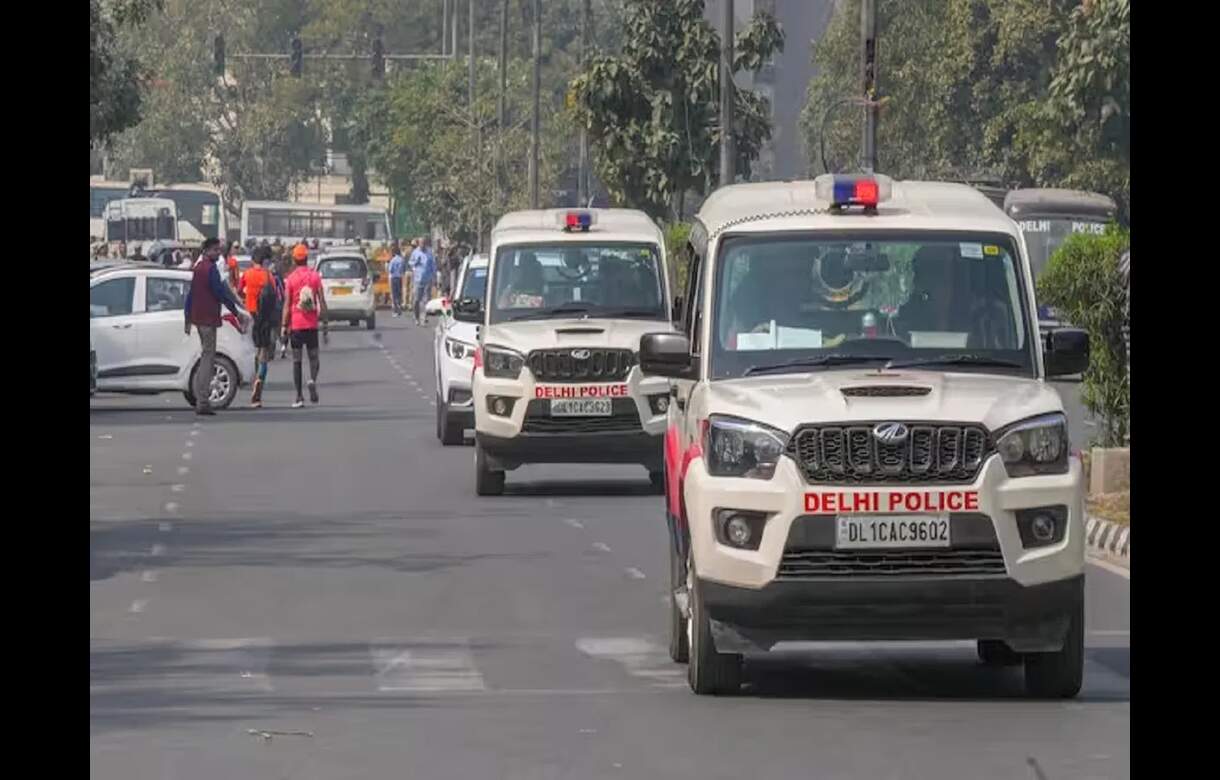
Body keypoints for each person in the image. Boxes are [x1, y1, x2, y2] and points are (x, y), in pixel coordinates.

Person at [184, 237, 247, 415]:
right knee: (208, 358)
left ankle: (202, 399)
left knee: (206, 355)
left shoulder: (198, 268)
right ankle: (203, 400)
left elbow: (191, 295)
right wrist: (236, 312)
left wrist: (187, 318)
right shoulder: (210, 269)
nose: (218, 254)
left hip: (199, 318)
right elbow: (220, 292)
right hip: (207, 319)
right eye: (216, 250)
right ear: (208, 251)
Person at [282, 242, 328, 408]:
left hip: (296, 325)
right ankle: (312, 380)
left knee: (297, 360)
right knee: (314, 358)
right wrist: (325, 324)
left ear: (294, 260)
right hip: (312, 324)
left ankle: (298, 396)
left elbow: (287, 305)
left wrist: (283, 326)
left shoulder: (291, 279)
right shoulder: (315, 277)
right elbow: (322, 302)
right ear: (307, 259)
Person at [241, 247, 281, 407]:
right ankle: (259, 383)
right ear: (264, 261)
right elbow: (275, 297)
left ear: (253, 260)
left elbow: (238, 291)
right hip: (265, 318)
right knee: (264, 354)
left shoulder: (247, 274)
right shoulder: (268, 276)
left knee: (252, 352)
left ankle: (253, 378)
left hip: (250, 316)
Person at [409, 236, 437, 325]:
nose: (423, 245)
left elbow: (433, 265)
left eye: (424, 243)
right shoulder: (415, 252)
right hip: (417, 279)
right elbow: (410, 263)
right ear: (418, 243)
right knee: (416, 300)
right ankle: (416, 317)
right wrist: (415, 262)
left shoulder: (429, 252)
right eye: (421, 243)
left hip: (427, 279)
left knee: (426, 300)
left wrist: (434, 276)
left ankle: (424, 317)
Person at [387, 241, 407, 317]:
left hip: (393, 278)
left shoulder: (393, 260)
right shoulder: (401, 260)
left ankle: (396, 310)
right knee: (399, 293)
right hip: (399, 278)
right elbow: (403, 269)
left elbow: (390, 270)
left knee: (394, 294)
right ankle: (400, 308)